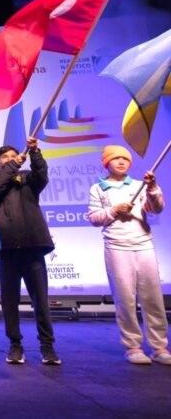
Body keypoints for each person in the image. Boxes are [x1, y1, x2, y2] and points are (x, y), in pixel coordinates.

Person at [88, 145, 169, 365]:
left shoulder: (139, 185)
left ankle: (159, 345)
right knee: (125, 298)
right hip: (116, 247)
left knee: (152, 297)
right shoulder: (98, 188)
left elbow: (157, 208)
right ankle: (133, 346)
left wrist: (152, 188)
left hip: (143, 245)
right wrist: (114, 211)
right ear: (107, 163)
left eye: (125, 159)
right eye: (116, 159)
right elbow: (94, 218)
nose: (121, 162)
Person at [0, 136, 59, 365]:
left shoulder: (27, 179)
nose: (10, 159)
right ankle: (15, 345)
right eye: (5, 158)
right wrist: (13, 165)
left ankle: (47, 347)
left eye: (13, 156)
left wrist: (35, 153)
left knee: (40, 299)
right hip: (6, 249)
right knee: (9, 301)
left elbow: (42, 175)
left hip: (32, 246)